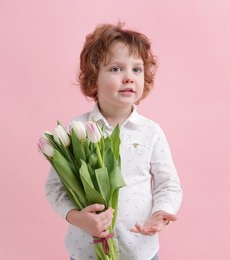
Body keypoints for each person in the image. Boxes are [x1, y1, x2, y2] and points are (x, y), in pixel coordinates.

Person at [45, 22, 183, 260]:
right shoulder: (76, 131)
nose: (129, 77)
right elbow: (55, 187)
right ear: (93, 79)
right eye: (116, 69)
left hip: (140, 251)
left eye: (137, 70)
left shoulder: (151, 132)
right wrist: (77, 218)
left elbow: (168, 184)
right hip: (86, 251)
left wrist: (161, 213)